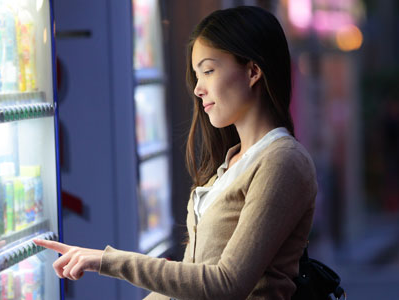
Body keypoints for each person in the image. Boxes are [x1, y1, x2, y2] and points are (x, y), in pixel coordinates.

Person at [34, 6, 317, 300]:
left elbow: (226, 283)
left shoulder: (282, 161)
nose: (198, 89)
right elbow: (193, 276)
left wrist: (107, 260)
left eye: (208, 71)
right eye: (196, 76)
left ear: (253, 71)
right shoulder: (231, 163)